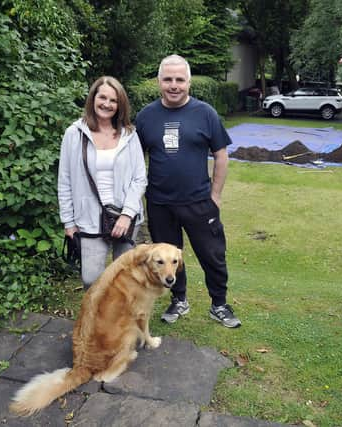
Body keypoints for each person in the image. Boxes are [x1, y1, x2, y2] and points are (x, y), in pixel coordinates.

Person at [135, 54, 241, 328]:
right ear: (158, 81)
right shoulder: (146, 117)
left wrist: (215, 196)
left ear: (188, 82)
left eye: (179, 80)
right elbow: (134, 161)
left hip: (199, 202)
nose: (173, 85)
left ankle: (219, 304)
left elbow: (221, 155)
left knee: (212, 255)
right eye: (168, 79)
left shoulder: (205, 114)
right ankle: (178, 299)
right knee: (168, 259)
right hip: (160, 204)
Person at [58, 76, 147, 289]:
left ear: (120, 105)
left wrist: (127, 214)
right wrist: (68, 221)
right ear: (93, 98)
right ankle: (96, 319)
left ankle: (120, 322)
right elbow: (65, 180)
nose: (107, 104)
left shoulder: (129, 134)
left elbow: (139, 178)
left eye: (113, 100)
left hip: (125, 217)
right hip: (88, 217)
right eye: (102, 97)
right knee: (91, 279)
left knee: (125, 280)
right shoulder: (74, 133)